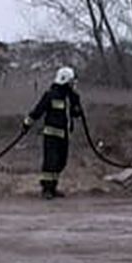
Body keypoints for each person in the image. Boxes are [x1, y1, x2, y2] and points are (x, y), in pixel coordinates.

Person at [22, 66, 83, 199]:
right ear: (66, 80)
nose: (74, 84)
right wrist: (27, 123)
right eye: (72, 81)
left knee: (61, 162)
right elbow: (38, 110)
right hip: (51, 134)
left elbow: (74, 113)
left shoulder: (71, 97)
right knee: (51, 161)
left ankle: (53, 186)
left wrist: (77, 107)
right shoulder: (50, 95)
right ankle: (46, 189)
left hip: (64, 135)